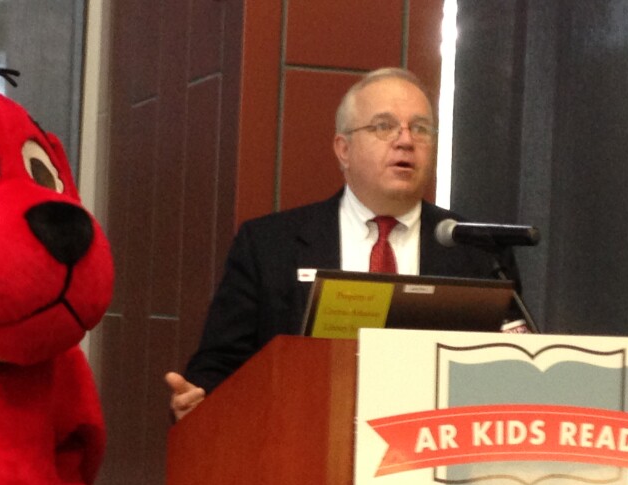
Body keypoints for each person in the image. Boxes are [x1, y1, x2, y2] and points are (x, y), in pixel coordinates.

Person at [165, 67, 520, 420]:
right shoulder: (269, 246)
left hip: (433, 455)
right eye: (384, 126)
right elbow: (220, 367)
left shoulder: (479, 251)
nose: (406, 140)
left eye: (421, 129)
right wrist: (198, 399)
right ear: (343, 149)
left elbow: (512, 368)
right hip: (305, 454)